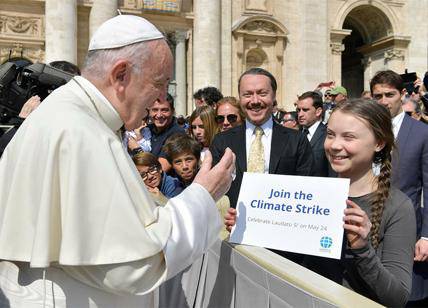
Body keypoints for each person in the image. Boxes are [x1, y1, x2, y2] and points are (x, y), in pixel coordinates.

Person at [0, 15, 235, 307]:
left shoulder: (71, 115)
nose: (164, 96)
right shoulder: (81, 132)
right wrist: (203, 195)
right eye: (159, 83)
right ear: (121, 75)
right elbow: (131, 269)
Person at [303, 99, 416, 307]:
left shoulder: (397, 207)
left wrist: (363, 249)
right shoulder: (313, 195)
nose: (335, 145)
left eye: (349, 137)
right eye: (330, 135)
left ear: (379, 143)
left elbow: (397, 298)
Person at [211, 67, 314, 209]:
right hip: (233, 226)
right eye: (247, 94)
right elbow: (214, 190)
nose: (255, 101)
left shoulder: (297, 141)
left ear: (274, 96)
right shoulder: (221, 142)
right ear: (240, 98)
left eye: (262, 93)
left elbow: (307, 188)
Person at [370, 70, 428, 304]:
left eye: (389, 95)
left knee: (406, 297)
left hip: (406, 231)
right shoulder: (363, 130)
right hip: (366, 232)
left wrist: (427, 236)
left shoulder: (422, 133)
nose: (383, 102)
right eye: (377, 96)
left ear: (402, 94)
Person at [297, 91, 333, 177]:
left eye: (305, 110)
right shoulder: (295, 135)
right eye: (298, 110)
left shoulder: (328, 135)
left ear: (318, 111)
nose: (300, 114)